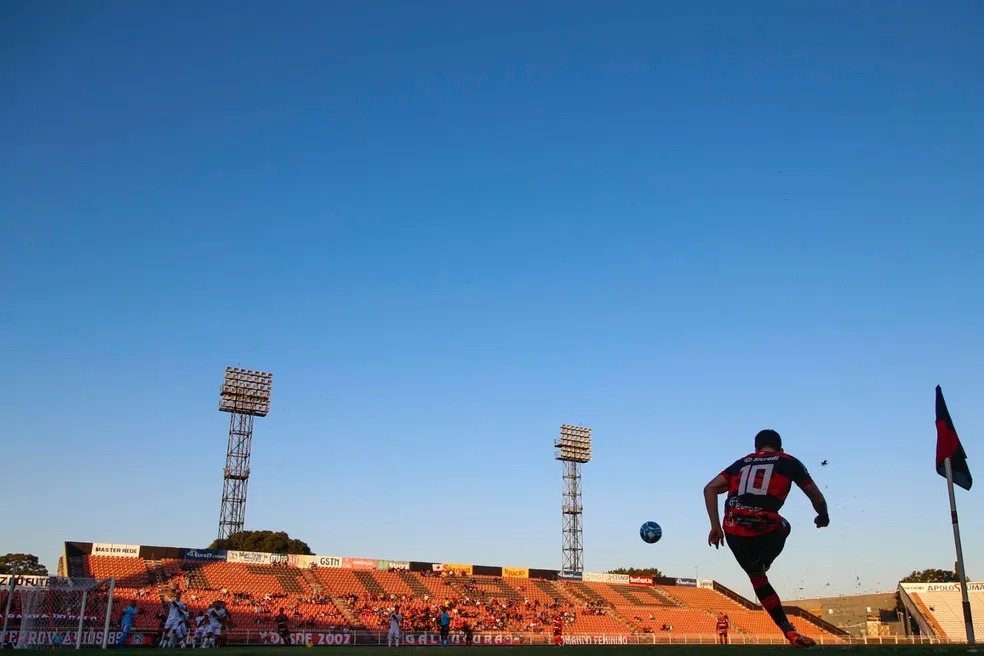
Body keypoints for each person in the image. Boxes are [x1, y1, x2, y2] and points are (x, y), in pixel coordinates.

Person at [704, 429, 829, 648]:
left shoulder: (740, 464)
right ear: (781, 449)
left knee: (758, 579)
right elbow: (816, 497)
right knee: (784, 526)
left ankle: (789, 632)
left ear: (756, 449)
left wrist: (715, 526)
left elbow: (710, 488)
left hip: (733, 529)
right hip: (765, 528)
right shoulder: (788, 462)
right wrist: (823, 516)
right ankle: (765, 561)